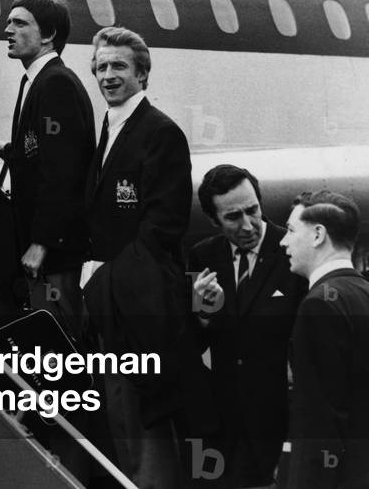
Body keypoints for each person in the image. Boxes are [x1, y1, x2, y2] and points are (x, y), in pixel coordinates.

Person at [82, 25, 214, 489]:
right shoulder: (111, 128)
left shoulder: (160, 133)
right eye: (100, 67)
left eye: (119, 66)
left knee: (145, 436)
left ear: (143, 73)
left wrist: (99, 279)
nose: (108, 75)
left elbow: (161, 229)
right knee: (123, 429)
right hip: (114, 303)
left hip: (138, 306)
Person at [188, 164, 307, 488]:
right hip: (224, 422)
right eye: (233, 217)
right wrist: (201, 311)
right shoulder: (203, 257)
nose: (248, 224)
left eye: (253, 210)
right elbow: (195, 343)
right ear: (213, 220)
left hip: (280, 420)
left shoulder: (293, 253)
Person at [0, 0, 94, 336]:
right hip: (51, 249)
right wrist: (8, 150)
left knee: (63, 346)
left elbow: (63, 171)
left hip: (55, 251)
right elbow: (43, 150)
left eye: (20, 23)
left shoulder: (55, 84)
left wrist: (41, 243)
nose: (7, 29)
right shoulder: (40, 80)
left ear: (49, 34)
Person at [278, 190, 369, 489]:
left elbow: (318, 423)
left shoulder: (319, 305)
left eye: (291, 230)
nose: (283, 241)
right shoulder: (362, 295)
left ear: (318, 234)